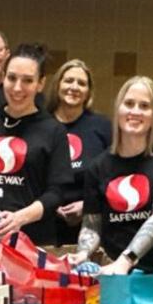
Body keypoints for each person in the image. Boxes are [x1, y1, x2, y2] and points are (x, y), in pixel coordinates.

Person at [70, 77, 153, 295]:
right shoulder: (98, 166)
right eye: (129, 104)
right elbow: (92, 224)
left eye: (145, 106)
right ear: (118, 110)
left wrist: (126, 261)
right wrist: (83, 252)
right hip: (116, 277)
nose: (135, 111)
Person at [0, 43, 73, 246]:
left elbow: (56, 193)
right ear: (4, 76)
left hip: (34, 240)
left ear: (40, 84)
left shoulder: (53, 130)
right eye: (12, 78)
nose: (17, 88)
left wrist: (19, 218)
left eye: (28, 80)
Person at [48, 59, 111, 246]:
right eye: (68, 80)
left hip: (90, 225)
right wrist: (49, 205)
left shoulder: (102, 127)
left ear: (88, 92)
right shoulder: (41, 124)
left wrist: (86, 206)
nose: (74, 87)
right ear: (57, 85)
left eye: (81, 83)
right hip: (45, 223)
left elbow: (113, 176)